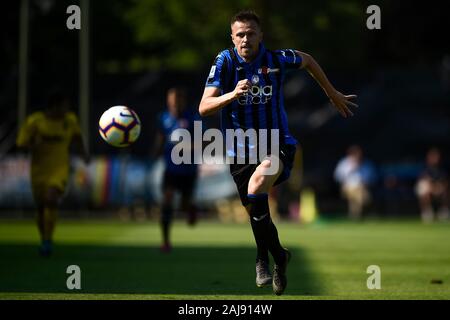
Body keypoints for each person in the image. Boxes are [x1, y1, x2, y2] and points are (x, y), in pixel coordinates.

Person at [198, 10, 357, 295]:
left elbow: (307, 59)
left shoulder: (276, 59)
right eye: (240, 34)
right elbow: (204, 107)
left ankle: (263, 259)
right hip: (240, 153)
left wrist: (331, 93)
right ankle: (277, 257)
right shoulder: (224, 61)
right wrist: (232, 94)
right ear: (232, 37)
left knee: (258, 187)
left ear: (261, 36)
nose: (246, 39)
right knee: (255, 211)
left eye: (251, 33)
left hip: (277, 144)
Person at [16, 91, 89, 257]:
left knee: (51, 198)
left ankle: (48, 240)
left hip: (60, 168)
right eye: (64, 106)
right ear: (54, 107)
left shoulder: (69, 121)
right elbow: (21, 144)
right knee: (41, 207)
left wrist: (84, 154)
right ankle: (45, 238)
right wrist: (33, 145)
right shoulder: (35, 121)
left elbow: (77, 137)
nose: (67, 109)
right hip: (39, 170)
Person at [153, 87, 200, 253]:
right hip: (171, 170)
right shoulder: (163, 118)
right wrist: (156, 152)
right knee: (167, 201)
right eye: (171, 101)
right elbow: (160, 138)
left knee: (183, 205)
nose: (174, 105)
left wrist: (187, 147)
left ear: (183, 101)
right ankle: (165, 242)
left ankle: (190, 209)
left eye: (177, 101)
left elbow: (206, 141)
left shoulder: (194, 118)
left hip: (188, 170)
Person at [334, 145, 376, 220]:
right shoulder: (344, 164)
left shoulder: (366, 164)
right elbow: (338, 176)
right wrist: (351, 169)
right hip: (347, 187)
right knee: (359, 198)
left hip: (362, 187)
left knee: (358, 199)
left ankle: (355, 217)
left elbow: (371, 177)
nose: (357, 156)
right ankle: (357, 216)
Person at [415, 148, 449, 223]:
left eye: (436, 156)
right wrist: (432, 187)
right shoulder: (424, 168)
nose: (435, 158)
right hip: (427, 188)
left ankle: (444, 211)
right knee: (423, 188)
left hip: (437, 188)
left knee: (446, 190)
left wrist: (438, 187)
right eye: (432, 156)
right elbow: (423, 180)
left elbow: (444, 181)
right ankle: (427, 212)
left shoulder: (441, 169)